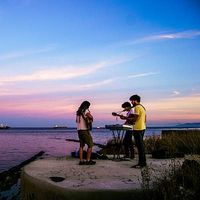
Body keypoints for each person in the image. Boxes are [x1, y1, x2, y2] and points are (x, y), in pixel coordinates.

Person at [76, 101, 96, 165]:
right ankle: (88, 160)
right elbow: (91, 117)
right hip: (84, 130)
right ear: (86, 106)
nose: (88, 107)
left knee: (81, 146)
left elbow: (77, 121)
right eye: (88, 106)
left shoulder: (78, 112)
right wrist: (91, 118)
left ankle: (81, 161)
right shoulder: (86, 111)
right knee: (90, 145)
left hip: (79, 130)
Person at [129, 95, 147, 168]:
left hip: (138, 129)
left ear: (136, 100)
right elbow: (145, 119)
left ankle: (141, 164)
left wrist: (126, 118)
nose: (131, 102)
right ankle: (142, 163)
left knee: (140, 147)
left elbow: (134, 119)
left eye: (132, 100)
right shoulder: (143, 107)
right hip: (142, 128)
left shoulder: (137, 107)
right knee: (141, 147)